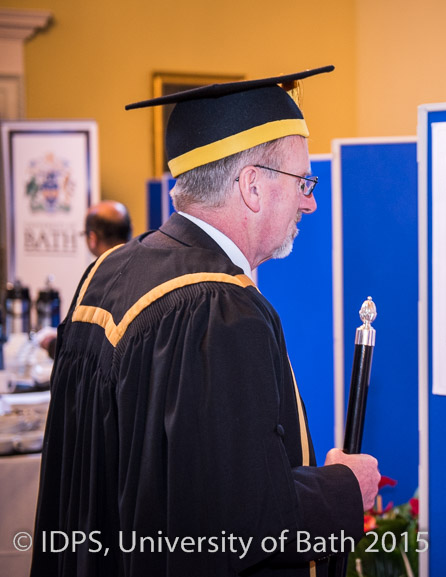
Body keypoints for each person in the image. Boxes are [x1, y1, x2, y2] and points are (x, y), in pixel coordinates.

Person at [31, 66, 380, 577]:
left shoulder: (107, 273)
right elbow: (228, 523)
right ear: (252, 186)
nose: (310, 201)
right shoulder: (220, 309)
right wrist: (343, 488)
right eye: (304, 181)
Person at [37, 200, 133, 358]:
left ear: (92, 238)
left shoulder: (97, 280)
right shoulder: (144, 270)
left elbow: (82, 348)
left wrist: (52, 344)